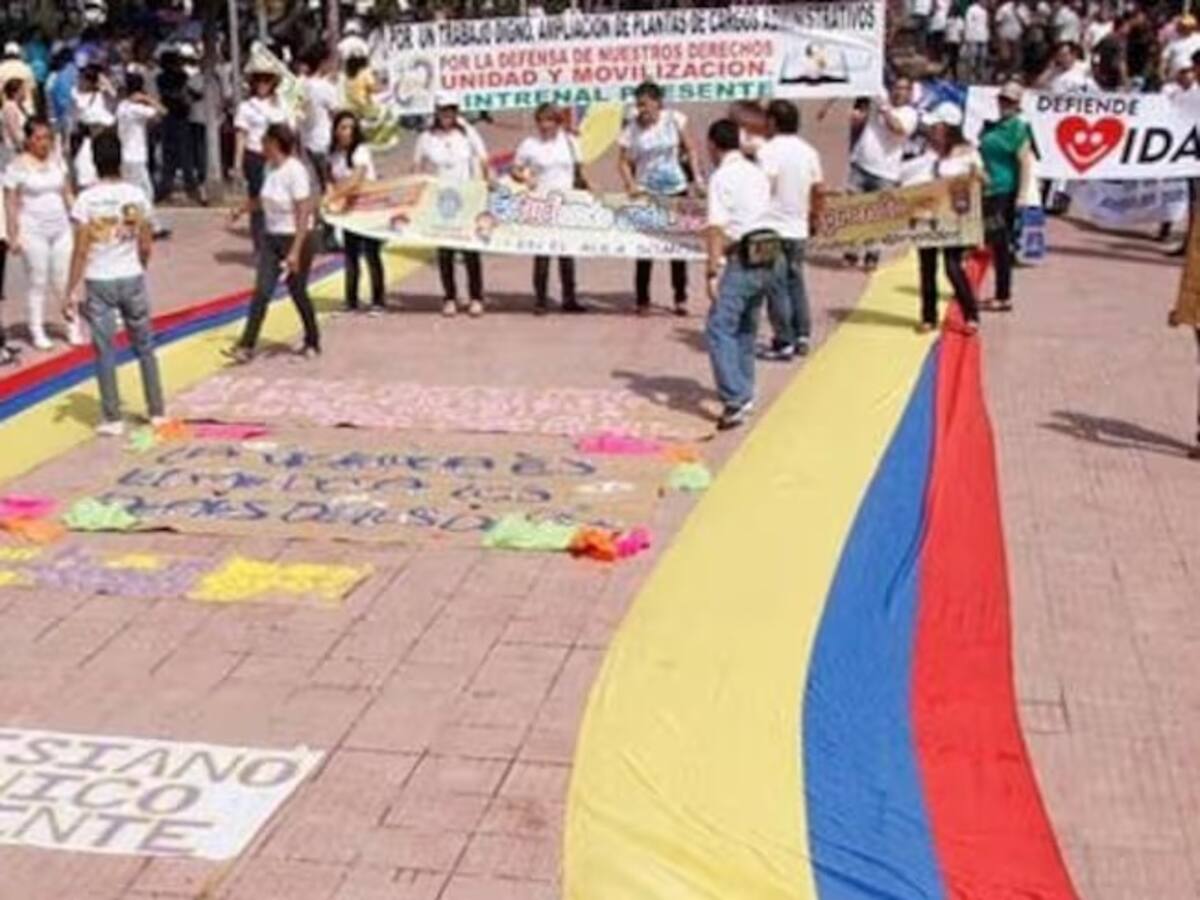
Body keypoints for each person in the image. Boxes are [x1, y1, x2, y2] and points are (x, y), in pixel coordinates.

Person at [64, 129, 164, 437]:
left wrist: (70, 288)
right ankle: (156, 410)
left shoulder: (86, 200)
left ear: (94, 161)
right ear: (120, 159)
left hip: (99, 279)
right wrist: (139, 266)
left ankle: (112, 417)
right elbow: (146, 243)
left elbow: (81, 248)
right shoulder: (136, 195)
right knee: (144, 346)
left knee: (105, 349)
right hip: (130, 274)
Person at [703, 118, 782, 431]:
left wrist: (711, 270)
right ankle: (745, 390)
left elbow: (716, 227)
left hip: (743, 255)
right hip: (769, 251)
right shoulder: (755, 171)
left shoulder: (722, 178)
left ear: (713, 145)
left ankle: (734, 399)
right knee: (747, 327)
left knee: (719, 327)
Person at [226, 124, 319, 362]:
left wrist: (296, 251)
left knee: (297, 290)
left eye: (265, 141)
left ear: (276, 143)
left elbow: (303, 211)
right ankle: (246, 345)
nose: (261, 146)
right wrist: (242, 209)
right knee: (262, 291)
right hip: (271, 237)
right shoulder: (269, 168)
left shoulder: (295, 170)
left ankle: (312, 339)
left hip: (295, 237)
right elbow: (264, 200)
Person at [618, 81, 701, 316]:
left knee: (677, 246)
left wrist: (697, 179)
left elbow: (691, 149)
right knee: (646, 247)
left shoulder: (675, 119)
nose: (642, 109)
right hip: (647, 191)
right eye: (638, 105)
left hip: (676, 189)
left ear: (657, 102)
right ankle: (642, 298)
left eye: (645, 104)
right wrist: (630, 184)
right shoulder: (631, 129)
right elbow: (622, 162)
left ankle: (680, 297)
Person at [905, 103, 985, 334]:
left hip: (953, 216)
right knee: (926, 266)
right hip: (926, 213)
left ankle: (971, 314)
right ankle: (928, 316)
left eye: (937, 125)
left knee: (952, 267)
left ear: (948, 128)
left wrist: (974, 175)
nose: (932, 129)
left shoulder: (968, 152)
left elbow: (981, 181)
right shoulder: (924, 149)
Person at [3, 117, 79, 350]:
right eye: (38, 138)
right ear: (28, 140)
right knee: (38, 280)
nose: (44, 143)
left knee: (64, 279)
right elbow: (10, 202)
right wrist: (13, 235)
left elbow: (67, 193)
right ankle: (36, 329)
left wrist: (78, 219)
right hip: (33, 229)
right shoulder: (17, 166)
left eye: (47, 137)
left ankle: (72, 324)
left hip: (61, 228)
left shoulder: (58, 162)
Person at [757, 99, 823, 361]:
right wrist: (815, 218)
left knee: (776, 286)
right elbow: (819, 189)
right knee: (797, 282)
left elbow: (762, 185)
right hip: (798, 227)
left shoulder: (767, 151)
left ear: (773, 122)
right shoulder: (809, 152)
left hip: (771, 226)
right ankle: (803, 335)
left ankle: (783, 340)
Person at [413, 94, 488, 318]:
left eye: (452, 110)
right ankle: (450, 297)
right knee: (445, 251)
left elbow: (483, 158)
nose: (447, 114)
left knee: (470, 250)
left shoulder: (467, 132)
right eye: (443, 110)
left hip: (466, 197)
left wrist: (485, 185)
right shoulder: (426, 137)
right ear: (436, 111)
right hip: (440, 201)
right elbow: (417, 165)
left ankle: (476, 297)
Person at [512, 102, 589, 316]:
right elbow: (516, 170)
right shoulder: (529, 144)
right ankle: (540, 299)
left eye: (550, 121)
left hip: (567, 202)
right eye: (541, 121)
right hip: (542, 202)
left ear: (558, 122)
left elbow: (580, 171)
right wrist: (525, 178)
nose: (545, 125)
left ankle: (569, 297)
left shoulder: (571, 141)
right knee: (543, 253)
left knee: (567, 252)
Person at [845, 75, 918, 271]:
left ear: (910, 93)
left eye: (904, 89)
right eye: (896, 87)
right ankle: (852, 249)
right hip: (861, 163)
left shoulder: (909, 113)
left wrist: (884, 109)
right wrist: (857, 116)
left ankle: (872, 254)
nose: (899, 92)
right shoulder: (880, 98)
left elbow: (897, 129)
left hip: (885, 173)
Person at [978, 80, 1035, 313]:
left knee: (1000, 245)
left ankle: (1003, 296)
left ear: (1017, 104)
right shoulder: (993, 126)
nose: (1005, 104)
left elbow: (1025, 162)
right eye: (1002, 100)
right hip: (986, 190)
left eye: (1010, 101)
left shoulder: (1018, 128)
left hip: (1004, 191)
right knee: (990, 242)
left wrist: (1021, 195)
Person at [326, 110, 385, 314]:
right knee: (350, 255)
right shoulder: (333, 155)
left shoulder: (361, 151)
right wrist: (331, 194)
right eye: (342, 127)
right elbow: (332, 179)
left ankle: (378, 300)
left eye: (350, 128)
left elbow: (356, 179)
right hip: (348, 211)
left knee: (372, 254)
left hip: (369, 208)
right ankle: (351, 300)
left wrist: (333, 196)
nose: (347, 132)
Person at [233, 61, 291, 250]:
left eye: (267, 80)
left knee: (280, 199)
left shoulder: (282, 103)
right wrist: (238, 164)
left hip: (278, 157)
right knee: (258, 201)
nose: (262, 84)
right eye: (258, 80)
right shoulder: (247, 107)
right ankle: (260, 246)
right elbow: (241, 135)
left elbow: (289, 131)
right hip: (256, 155)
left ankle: (279, 242)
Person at [116, 72, 168, 238]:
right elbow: (163, 112)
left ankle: (146, 224)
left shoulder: (122, 106)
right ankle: (146, 226)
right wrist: (147, 99)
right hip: (136, 157)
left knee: (135, 192)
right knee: (144, 193)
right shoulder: (136, 109)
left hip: (127, 155)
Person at [300, 47, 339, 193]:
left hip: (306, 141)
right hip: (324, 141)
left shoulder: (301, 84)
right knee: (330, 185)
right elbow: (337, 114)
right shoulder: (325, 87)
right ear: (322, 63)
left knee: (317, 184)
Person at [962, 0, 990, 83]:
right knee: (972, 58)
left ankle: (979, 77)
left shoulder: (985, 11)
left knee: (982, 59)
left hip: (983, 38)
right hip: (973, 37)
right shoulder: (971, 9)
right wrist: (967, 37)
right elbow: (968, 23)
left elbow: (986, 24)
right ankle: (970, 77)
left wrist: (987, 36)